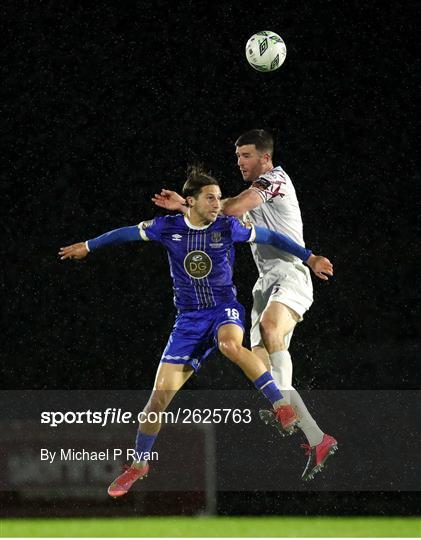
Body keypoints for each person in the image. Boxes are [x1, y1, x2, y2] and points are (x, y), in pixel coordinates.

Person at [59, 166, 333, 497]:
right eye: (211, 198)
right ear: (191, 201)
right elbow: (126, 233)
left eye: (219, 197)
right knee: (156, 402)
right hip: (188, 322)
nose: (218, 203)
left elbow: (272, 237)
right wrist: (88, 245)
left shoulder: (228, 227)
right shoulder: (167, 227)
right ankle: (139, 465)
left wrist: (309, 256)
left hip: (223, 310)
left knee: (230, 345)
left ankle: (280, 404)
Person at [152, 131, 338, 481]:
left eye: (247, 155)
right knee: (258, 362)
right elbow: (216, 219)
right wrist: (186, 207)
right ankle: (317, 438)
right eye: (237, 155)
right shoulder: (246, 193)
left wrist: (310, 257)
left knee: (270, 330)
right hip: (264, 284)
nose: (240, 161)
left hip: (290, 274)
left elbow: (233, 208)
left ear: (265, 158)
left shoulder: (275, 179)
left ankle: (283, 406)